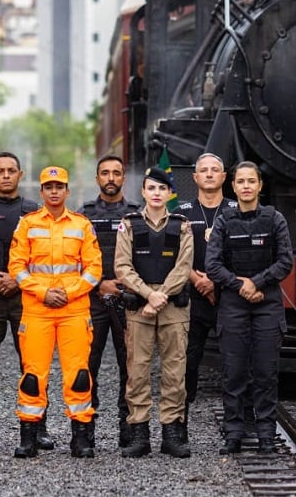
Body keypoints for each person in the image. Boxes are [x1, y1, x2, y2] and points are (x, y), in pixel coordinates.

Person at [9, 166, 103, 458]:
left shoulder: (82, 225)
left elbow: (94, 269)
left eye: (59, 186)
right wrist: (43, 293)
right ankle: (29, 436)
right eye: (48, 187)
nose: (53, 191)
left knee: (78, 375)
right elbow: (17, 267)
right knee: (33, 375)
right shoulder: (27, 224)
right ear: (41, 191)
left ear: (67, 191)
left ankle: (82, 436)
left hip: (74, 311)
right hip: (37, 311)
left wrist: (69, 293)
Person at [205, 161, 293, 454]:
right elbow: (212, 264)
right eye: (240, 181)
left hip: (267, 302)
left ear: (259, 186)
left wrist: (255, 282)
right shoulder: (224, 221)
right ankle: (234, 433)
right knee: (234, 371)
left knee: (266, 371)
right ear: (233, 186)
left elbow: (285, 261)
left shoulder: (274, 219)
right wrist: (240, 285)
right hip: (233, 302)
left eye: (250, 181)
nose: (245, 186)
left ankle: (267, 433)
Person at [0, 152, 51, 450]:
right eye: (0, 171)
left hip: (26, 296)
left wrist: (17, 280)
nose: (6, 175)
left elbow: (42, 255)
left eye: (11, 171)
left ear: (21, 174)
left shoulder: (33, 211)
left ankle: (38, 426)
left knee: (33, 363)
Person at [114, 167, 194, 458]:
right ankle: (139, 432)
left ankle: (172, 432)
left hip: (172, 307)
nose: (157, 193)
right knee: (137, 371)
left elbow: (184, 266)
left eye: (162, 189)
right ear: (143, 192)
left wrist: (161, 296)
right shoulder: (130, 224)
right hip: (141, 307)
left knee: (175, 371)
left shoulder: (182, 224)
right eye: (151, 188)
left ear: (170, 193)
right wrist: (149, 294)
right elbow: (122, 267)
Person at [79, 155, 140, 445]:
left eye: (117, 172)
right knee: (88, 364)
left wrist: (124, 285)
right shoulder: (84, 214)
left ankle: (128, 428)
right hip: (92, 299)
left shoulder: (136, 214)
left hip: (128, 299)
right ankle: (85, 427)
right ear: (97, 179)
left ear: (123, 178)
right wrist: (99, 283)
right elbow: (74, 257)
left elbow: (143, 257)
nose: (111, 178)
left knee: (129, 365)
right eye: (105, 173)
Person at [176, 153, 238, 434]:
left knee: (233, 361)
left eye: (216, 170)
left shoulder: (236, 210)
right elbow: (173, 253)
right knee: (186, 361)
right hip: (191, 297)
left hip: (229, 296)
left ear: (225, 177)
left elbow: (243, 254)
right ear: (195, 177)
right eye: (204, 170)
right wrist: (195, 278)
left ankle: (236, 424)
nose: (210, 174)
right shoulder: (182, 211)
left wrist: (216, 281)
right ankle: (179, 425)